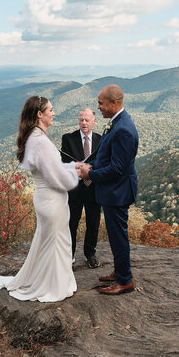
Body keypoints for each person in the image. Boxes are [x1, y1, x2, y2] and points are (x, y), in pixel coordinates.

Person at [0, 95, 79, 303]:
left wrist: (71, 167)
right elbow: (56, 177)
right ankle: (52, 287)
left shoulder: (34, 136)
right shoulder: (40, 141)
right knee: (56, 242)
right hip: (51, 199)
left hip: (46, 197)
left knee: (51, 241)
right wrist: (78, 173)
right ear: (40, 114)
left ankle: (51, 281)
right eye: (51, 110)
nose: (54, 113)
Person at [78, 85, 139, 295]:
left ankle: (125, 280)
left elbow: (117, 168)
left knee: (118, 236)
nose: (99, 108)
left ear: (114, 103)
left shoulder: (123, 129)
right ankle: (120, 271)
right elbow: (109, 158)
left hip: (118, 192)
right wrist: (90, 166)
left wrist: (90, 174)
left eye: (101, 104)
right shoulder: (116, 123)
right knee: (115, 235)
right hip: (113, 190)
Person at [61, 108, 102, 268]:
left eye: (86, 120)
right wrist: (84, 169)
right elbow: (65, 162)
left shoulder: (101, 140)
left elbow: (104, 162)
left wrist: (88, 171)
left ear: (94, 121)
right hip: (75, 189)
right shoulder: (68, 139)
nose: (83, 123)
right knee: (71, 222)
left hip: (93, 188)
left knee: (93, 222)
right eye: (81, 120)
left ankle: (90, 254)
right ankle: (69, 255)